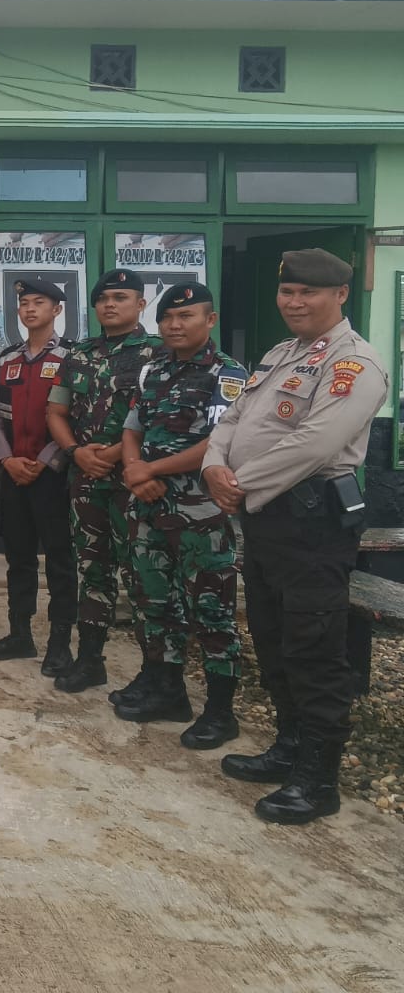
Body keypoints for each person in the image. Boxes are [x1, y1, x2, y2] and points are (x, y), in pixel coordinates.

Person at [204, 248, 387, 825]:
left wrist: (239, 483)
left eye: (308, 292)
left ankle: (318, 778)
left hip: (311, 523)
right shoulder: (281, 353)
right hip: (264, 519)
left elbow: (317, 441)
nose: (295, 301)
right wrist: (213, 465)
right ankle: (287, 748)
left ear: (340, 296)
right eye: (287, 292)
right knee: (272, 636)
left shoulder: (355, 363)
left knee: (314, 647)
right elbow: (232, 419)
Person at [119, 281, 248, 747]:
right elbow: (133, 427)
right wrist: (136, 469)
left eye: (186, 316)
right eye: (168, 318)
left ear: (209, 320)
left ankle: (220, 712)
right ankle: (167, 690)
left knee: (211, 609)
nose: (174, 325)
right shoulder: (152, 370)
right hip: (149, 504)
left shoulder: (228, 374)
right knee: (154, 600)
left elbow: (217, 443)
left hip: (200, 512)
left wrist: (147, 468)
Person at [45, 269, 160, 693]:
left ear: (140, 304)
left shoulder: (158, 353)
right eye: (103, 298)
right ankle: (90, 659)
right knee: (92, 568)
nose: (110, 304)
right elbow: (55, 412)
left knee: (142, 573)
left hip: (134, 480)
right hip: (85, 476)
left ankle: (154, 673)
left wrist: (111, 455)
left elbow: (157, 418)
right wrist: (76, 452)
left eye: (121, 297)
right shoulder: (78, 354)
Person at [0, 276, 76, 671]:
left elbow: (79, 417)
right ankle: (20, 633)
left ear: (57, 310)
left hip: (52, 474)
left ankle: (59, 644)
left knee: (59, 559)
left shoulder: (73, 358)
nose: (30, 309)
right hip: (13, 471)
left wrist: (48, 459)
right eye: (24, 304)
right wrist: (6, 460)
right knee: (19, 557)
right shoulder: (7, 360)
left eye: (40, 303)